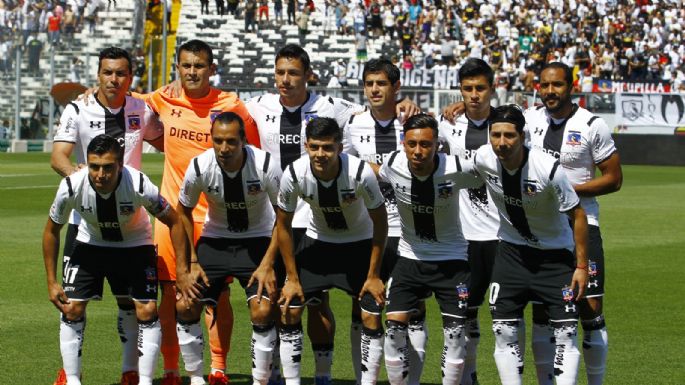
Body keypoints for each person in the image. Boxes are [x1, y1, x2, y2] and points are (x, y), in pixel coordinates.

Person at [245, 44, 418, 385]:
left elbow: (374, 108)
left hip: (334, 222)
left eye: (293, 72)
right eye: (280, 72)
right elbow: (221, 111)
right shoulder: (256, 105)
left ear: (308, 75)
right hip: (289, 222)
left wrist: (403, 104)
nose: (285, 79)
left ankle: (328, 376)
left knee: (339, 306)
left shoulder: (334, 108)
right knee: (288, 302)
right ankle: (278, 375)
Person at [146, 39, 259, 385]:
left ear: (212, 69)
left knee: (216, 294)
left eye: (199, 66)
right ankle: (170, 369)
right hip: (172, 217)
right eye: (186, 65)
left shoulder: (231, 105)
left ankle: (219, 368)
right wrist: (92, 93)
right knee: (170, 293)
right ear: (177, 68)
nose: (192, 71)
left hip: (215, 220)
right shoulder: (162, 98)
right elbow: (125, 104)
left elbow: (252, 151)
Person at [50, 46, 164, 385]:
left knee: (132, 304)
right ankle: (70, 376)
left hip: (132, 224)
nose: (113, 79)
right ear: (97, 75)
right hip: (85, 223)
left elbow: (166, 143)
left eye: (121, 74)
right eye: (107, 73)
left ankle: (131, 372)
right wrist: (81, 182)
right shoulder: (78, 108)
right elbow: (59, 157)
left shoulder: (141, 110)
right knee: (72, 305)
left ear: (130, 78)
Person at [43, 134, 187, 385]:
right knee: (71, 307)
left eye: (108, 167)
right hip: (91, 245)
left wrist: (183, 269)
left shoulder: (139, 184)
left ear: (120, 164)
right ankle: (73, 380)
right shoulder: (71, 186)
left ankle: (138, 378)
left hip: (134, 246)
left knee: (146, 309)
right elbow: (51, 231)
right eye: (94, 166)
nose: (100, 174)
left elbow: (174, 220)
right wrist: (51, 281)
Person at [472, 104, 589, 385]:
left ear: (522, 135)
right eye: (495, 135)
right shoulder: (483, 158)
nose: (501, 143)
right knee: (503, 332)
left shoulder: (548, 169)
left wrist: (581, 266)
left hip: (555, 258)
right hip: (511, 256)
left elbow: (578, 214)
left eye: (509, 135)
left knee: (565, 335)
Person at [524, 62, 622, 385]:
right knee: (541, 314)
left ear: (571, 86)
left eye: (557, 85)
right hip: (541, 228)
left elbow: (614, 179)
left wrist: (569, 189)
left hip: (583, 223)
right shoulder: (529, 119)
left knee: (590, 311)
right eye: (545, 85)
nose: (550, 91)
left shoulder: (592, 125)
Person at [276, 117, 388, 385]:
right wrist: (291, 278)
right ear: (306, 146)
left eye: (327, 147)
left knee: (370, 314)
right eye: (314, 147)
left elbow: (380, 223)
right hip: (319, 244)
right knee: (290, 309)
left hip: (358, 246)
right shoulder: (294, 173)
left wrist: (373, 275)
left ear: (339, 147)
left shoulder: (360, 172)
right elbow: (282, 225)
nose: (320, 154)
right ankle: (309, 379)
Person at [174, 112, 283, 385]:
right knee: (186, 303)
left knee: (262, 310)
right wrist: (192, 261)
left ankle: (262, 379)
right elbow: (183, 211)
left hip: (258, 241)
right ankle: (197, 378)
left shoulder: (266, 165)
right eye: (218, 141)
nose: (224, 148)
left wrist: (269, 263)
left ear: (244, 140)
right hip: (215, 240)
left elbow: (284, 216)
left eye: (231, 142)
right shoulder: (199, 166)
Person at [379, 113, 481, 385]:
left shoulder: (457, 167)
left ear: (438, 144)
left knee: (456, 334)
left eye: (426, 144)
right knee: (394, 331)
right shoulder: (392, 163)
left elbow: (494, 176)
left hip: (452, 261)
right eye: (412, 143)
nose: (418, 151)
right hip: (409, 258)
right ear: (403, 143)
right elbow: (367, 171)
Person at [343, 58, 428, 385]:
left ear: (396, 88)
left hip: (409, 230)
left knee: (413, 311)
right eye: (369, 84)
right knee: (364, 310)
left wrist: (377, 171)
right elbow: (346, 169)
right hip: (366, 231)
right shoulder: (353, 124)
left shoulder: (414, 121)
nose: (374, 90)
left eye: (381, 84)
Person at [437, 58, 500, 385]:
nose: (474, 95)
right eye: (467, 89)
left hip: (504, 237)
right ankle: (469, 377)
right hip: (463, 239)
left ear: (492, 88)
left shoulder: (510, 123)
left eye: (480, 88)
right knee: (465, 317)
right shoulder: (446, 125)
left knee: (506, 321)